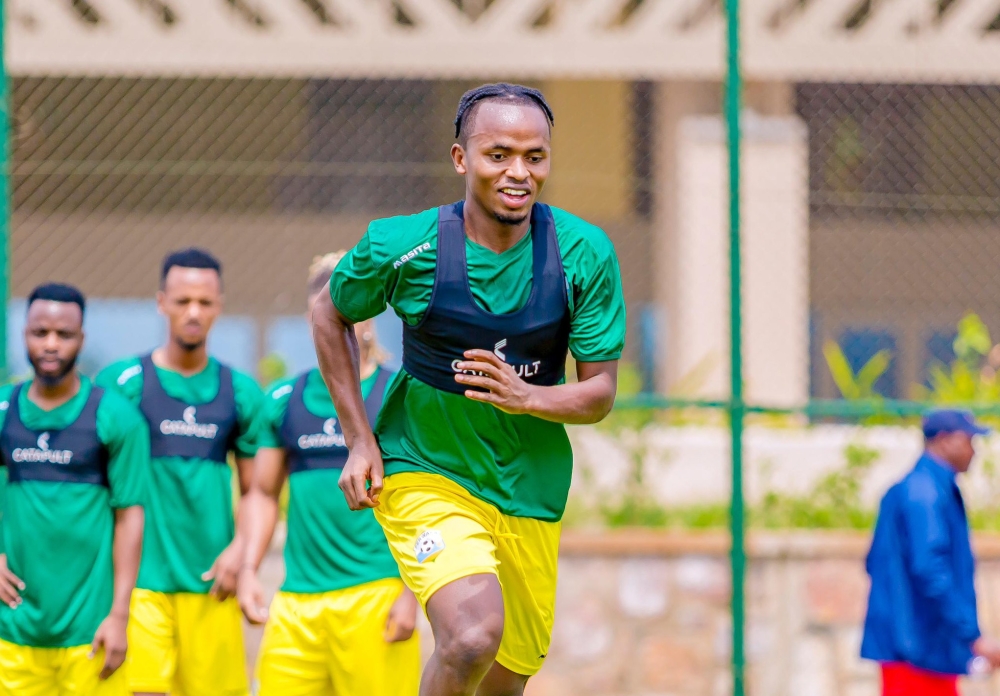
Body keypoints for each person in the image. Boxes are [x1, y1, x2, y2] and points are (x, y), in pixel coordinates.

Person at [312, 82, 626, 696]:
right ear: (461, 159)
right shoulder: (403, 247)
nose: (519, 172)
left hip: (528, 489)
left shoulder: (584, 254)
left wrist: (527, 396)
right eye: (499, 154)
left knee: (506, 678)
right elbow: (329, 314)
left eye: (535, 157)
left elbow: (600, 392)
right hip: (427, 469)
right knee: (473, 635)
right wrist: (358, 439)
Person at [237, 252, 420, 696]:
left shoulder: (402, 395)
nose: (341, 323)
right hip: (296, 604)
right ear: (312, 319)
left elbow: (427, 500)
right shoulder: (283, 398)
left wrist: (412, 593)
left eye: (351, 311)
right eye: (330, 313)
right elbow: (262, 494)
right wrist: (248, 568)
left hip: (376, 597)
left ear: (372, 314)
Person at [97, 249, 264, 696]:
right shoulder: (121, 384)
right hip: (140, 585)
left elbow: (256, 492)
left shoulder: (240, 392)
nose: (193, 312)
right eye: (182, 300)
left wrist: (242, 551)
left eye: (205, 303)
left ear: (219, 307)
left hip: (212, 585)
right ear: (161, 303)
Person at [0, 283, 148, 696]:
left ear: (81, 339)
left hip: (90, 634)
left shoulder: (116, 418)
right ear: (24, 334)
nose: (51, 344)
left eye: (64, 335)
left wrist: (119, 614)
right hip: (12, 631)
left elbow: (129, 516)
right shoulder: (3, 411)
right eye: (39, 332)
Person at [861, 409, 1000, 695]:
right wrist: (972, 637)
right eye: (969, 440)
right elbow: (930, 569)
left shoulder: (920, 487)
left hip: (917, 647)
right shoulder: (925, 494)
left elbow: (875, 561)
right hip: (917, 651)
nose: (974, 451)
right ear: (945, 440)